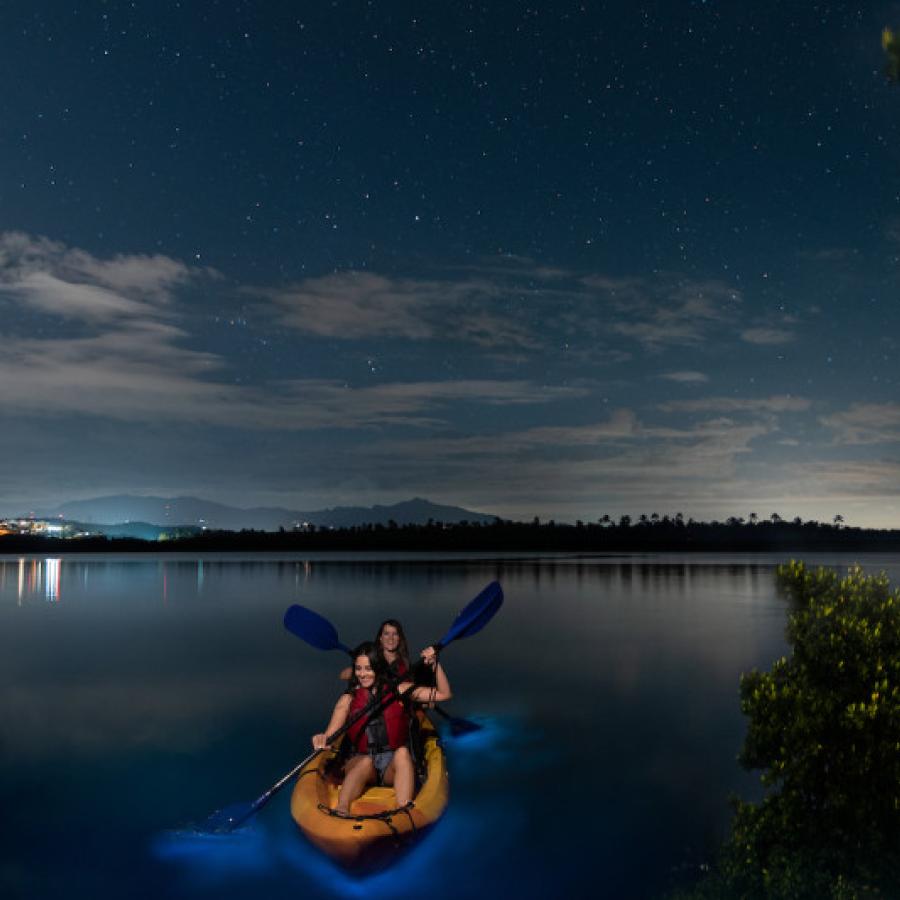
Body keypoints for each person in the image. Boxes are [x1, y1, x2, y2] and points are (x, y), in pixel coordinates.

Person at [312, 641, 451, 813]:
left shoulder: (399, 689)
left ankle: (403, 809)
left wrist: (435, 664)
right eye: (358, 668)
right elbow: (330, 735)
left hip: (390, 766)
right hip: (361, 762)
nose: (362, 674)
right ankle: (342, 809)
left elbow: (444, 694)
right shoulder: (348, 699)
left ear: (378, 668)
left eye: (368, 669)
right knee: (366, 761)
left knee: (402, 753)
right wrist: (321, 739)